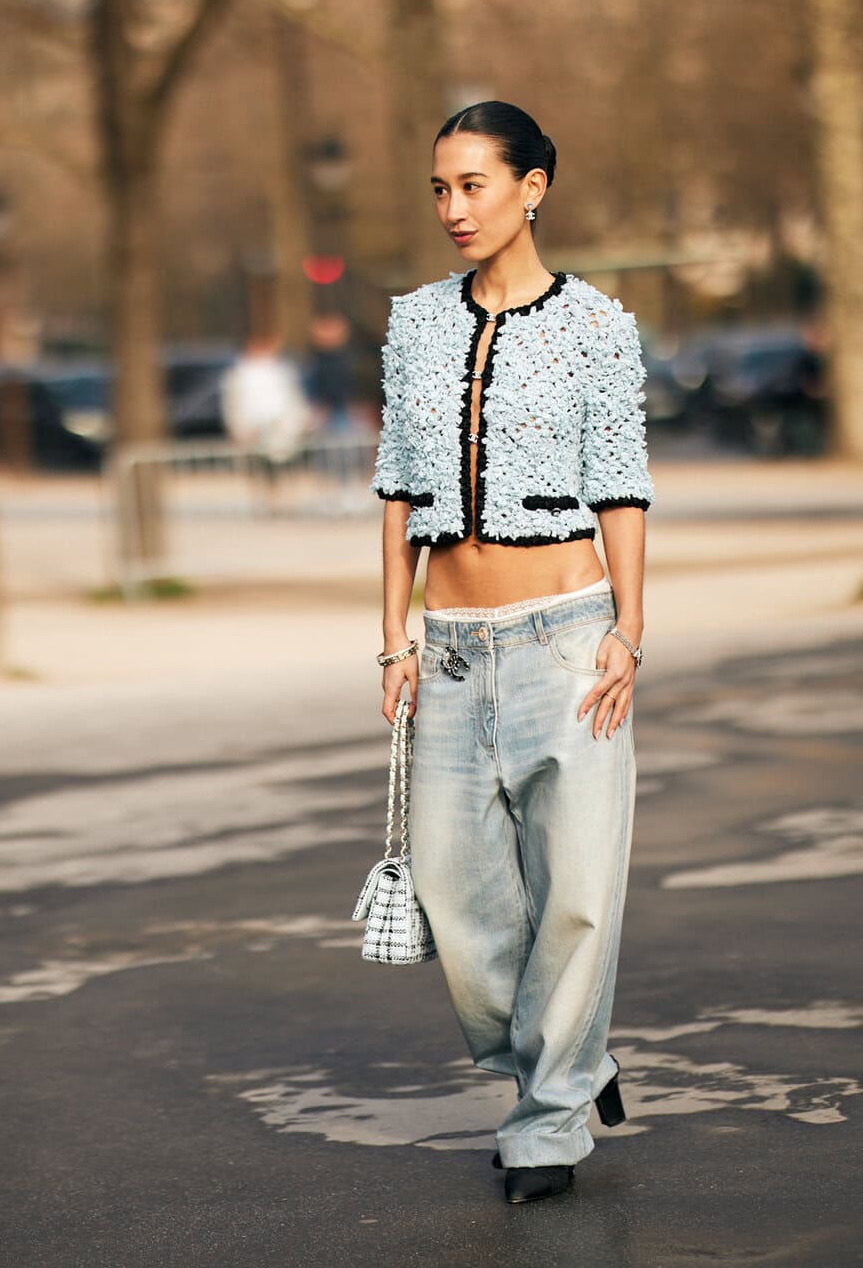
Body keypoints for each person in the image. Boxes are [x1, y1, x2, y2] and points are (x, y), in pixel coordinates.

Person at [370, 101, 652, 1206]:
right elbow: (396, 489)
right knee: (456, 894)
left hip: (569, 639)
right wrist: (391, 634)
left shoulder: (598, 326)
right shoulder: (416, 324)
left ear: (534, 187)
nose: (453, 207)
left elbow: (622, 485)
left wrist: (631, 628)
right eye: (439, 188)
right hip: (446, 650)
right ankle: (563, 1058)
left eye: (474, 184)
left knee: (577, 892)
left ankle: (547, 1115)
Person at [220, 328, 311, 509]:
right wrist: (237, 426)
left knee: (283, 466)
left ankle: (283, 501)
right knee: (258, 468)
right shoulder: (238, 373)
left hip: (281, 427)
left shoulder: (283, 370)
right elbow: (232, 403)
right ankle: (264, 502)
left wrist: (300, 420)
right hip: (253, 428)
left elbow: (293, 397)